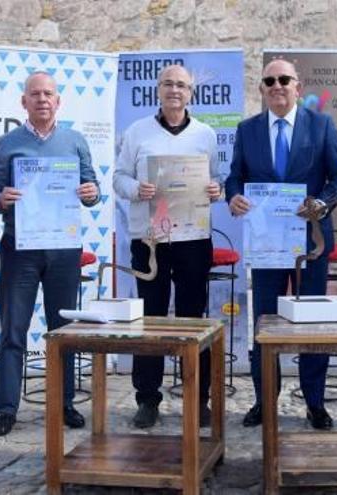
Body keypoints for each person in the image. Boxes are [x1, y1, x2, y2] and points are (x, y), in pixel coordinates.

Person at [225, 59, 337, 430]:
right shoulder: (247, 130)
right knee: (265, 323)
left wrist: (322, 203)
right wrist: (233, 197)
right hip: (267, 245)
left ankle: (315, 403)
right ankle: (265, 402)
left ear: (298, 86)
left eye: (284, 80)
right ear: (262, 89)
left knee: (312, 324)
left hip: (310, 240)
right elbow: (235, 177)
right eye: (269, 81)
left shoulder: (321, 124)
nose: (277, 85)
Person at [0, 72, 100, 436]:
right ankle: (5, 408)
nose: (42, 100)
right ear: (24, 102)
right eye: (35, 94)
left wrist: (90, 193)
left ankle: (64, 403)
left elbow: (93, 188)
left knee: (63, 330)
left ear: (58, 101)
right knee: (13, 330)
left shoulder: (75, 141)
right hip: (20, 248)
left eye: (48, 94)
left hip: (64, 249)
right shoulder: (7, 143)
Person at [114, 64, 221, 429]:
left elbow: (217, 180)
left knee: (194, 320)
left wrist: (215, 190)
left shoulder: (205, 135)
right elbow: (118, 177)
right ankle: (148, 398)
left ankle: (198, 398)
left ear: (191, 92)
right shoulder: (137, 132)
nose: (175, 90)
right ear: (157, 90)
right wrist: (134, 190)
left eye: (182, 85)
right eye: (168, 84)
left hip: (193, 239)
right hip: (150, 240)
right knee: (151, 320)